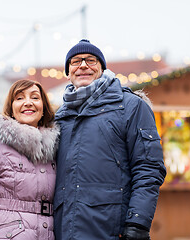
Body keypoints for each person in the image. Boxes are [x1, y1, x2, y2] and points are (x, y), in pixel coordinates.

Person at [53, 39, 167, 240]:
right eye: (75, 61)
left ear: (102, 68)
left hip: (111, 229)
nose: (83, 66)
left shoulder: (131, 106)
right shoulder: (60, 116)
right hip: (64, 229)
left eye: (90, 60)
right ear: (68, 72)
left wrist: (138, 222)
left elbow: (148, 167)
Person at [0, 79, 60, 239]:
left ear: (43, 108)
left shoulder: (54, 149)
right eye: (19, 98)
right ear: (11, 108)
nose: (28, 102)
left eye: (35, 97)